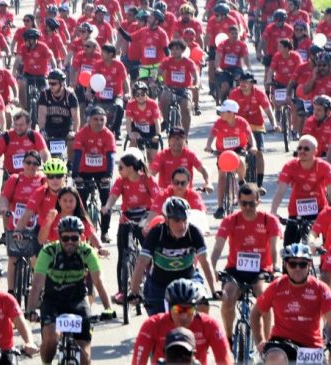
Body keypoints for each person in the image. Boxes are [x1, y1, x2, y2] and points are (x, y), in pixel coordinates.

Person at [25, 216, 115, 365]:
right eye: (65, 238)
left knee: (85, 358)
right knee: (51, 338)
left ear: (82, 237)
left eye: (74, 238)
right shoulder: (49, 252)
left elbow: (99, 281)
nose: (70, 242)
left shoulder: (87, 252)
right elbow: (37, 284)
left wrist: (108, 308)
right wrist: (31, 309)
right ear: (59, 237)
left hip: (78, 300)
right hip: (53, 300)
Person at [250, 244, 331, 363]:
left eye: (302, 264)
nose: (297, 268)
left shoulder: (320, 288)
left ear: (309, 265)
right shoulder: (276, 286)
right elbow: (255, 313)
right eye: (293, 264)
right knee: (274, 358)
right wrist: (260, 341)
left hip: (312, 348)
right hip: (281, 343)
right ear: (286, 265)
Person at [210, 183, 280, 339]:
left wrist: (276, 267)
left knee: (265, 298)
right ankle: (228, 339)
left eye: (251, 203)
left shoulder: (269, 220)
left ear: (258, 202)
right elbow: (217, 248)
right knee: (227, 298)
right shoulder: (230, 220)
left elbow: (275, 248)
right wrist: (212, 267)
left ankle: (267, 343)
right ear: (238, 202)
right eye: (243, 203)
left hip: (261, 270)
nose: (247, 207)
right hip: (235, 269)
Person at [130, 197, 220, 316]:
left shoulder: (193, 232)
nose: (181, 225)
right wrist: (134, 292)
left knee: (203, 306)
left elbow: (205, 261)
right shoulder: (156, 233)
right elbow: (141, 263)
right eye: (176, 220)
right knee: (158, 325)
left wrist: (214, 291)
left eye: (184, 220)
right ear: (166, 220)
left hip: (190, 280)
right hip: (159, 285)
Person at [132, 279, 232, 365]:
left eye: (189, 310)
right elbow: (137, 362)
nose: (184, 316)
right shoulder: (152, 325)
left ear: (196, 309)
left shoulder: (210, 325)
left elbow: (225, 361)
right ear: (169, 308)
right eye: (178, 310)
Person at [103, 151, 161, 302]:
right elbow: (113, 196)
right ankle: (122, 290)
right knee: (123, 254)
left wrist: (150, 219)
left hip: (145, 217)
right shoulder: (121, 181)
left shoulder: (147, 179)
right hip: (127, 217)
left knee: (150, 252)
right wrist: (107, 206)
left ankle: (153, 281)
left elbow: (158, 199)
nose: (119, 170)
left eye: (121, 167)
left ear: (130, 168)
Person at [270, 135, 331, 245]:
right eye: (299, 148)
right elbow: (280, 190)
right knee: (289, 249)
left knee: (330, 242)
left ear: (315, 151)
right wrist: (273, 211)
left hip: (320, 209)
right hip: (296, 211)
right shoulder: (290, 166)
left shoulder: (324, 166)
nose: (302, 151)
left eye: (306, 149)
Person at [0, 149, 44, 289]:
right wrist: (4, 208)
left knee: (36, 259)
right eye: (28, 162)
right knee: (13, 258)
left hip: (36, 225)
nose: (31, 166)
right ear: (23, 163)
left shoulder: (43, 180)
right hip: (16, 225)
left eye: (35, 163)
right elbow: (4, 197)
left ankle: (38, 289)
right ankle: (11, 291)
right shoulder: (15, 179)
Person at [204, 99, 257, 219]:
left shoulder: (242, 122)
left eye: (223, 111)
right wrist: (208, 145)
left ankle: (241, 180)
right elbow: (212, 135)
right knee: (222, 175)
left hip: (238, 149)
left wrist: (253, 146)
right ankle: (220, 207)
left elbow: (250, 135)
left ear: (232, 113)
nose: (220, 114)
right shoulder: (219, 123)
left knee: (241, 161)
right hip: (223, 152)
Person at [72, 106, 116, 242]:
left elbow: (110, 156)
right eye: (95, 119)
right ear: (89, 120)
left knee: (106, 200)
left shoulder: (108, 135)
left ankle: (104, 232)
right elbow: (77, 154)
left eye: (102, 120)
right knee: (80, 201)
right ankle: (82, 230)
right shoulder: (82, 133)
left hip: (102, 171)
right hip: (84, 170)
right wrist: (75, 174)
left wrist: (108, 175)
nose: (98, 122)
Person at [229, 72, 276, 187]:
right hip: (240, 127)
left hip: (257, 126)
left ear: (252, 84)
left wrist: (274, 124)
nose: (243, 84)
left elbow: (268, 109)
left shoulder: (258, 93)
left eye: (246, 82)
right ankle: (238, 179)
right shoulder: (234, 94)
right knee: (236, 153)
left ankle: (259, 184)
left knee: (259, 153)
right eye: (241, 82)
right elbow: (228, 111)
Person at [0, 110, 50, 179]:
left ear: (29, 124)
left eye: (21, 125)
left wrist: (48, 164)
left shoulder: (35, 136)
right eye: (15, 125)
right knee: (5, 189)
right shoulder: (6, 136)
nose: (18, 128)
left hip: (32, 175)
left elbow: (45, 153)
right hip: (10, 175)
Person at [158, 39, 199, 134]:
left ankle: (186, 135)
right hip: (170, 88)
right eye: (172, 49)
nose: (174, 51)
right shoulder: (167, 61)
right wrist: (154, 80)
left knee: (186, 107)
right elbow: (159, 71)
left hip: (185, 89)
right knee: (163, 99)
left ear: (182, 50)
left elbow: (195, 74)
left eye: (177, 49)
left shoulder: (188, 62)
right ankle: (165, 120)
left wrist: (196, 84)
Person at [37, 69, 80, 154]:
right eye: (49, 83)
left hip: (66, 128)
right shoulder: (45, 94)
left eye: (54, 84)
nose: (51, 86)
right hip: (49, 127)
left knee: (73, 141)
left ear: (62, 84)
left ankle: (70, 163)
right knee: (41, 140)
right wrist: (42, 130)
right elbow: (42, 114)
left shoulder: (70, 95)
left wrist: (74, 131)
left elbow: (76, 117)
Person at [125, 81, 163, 164]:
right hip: (137, 128)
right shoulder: (130, 104)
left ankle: (149, 175)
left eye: (142, 94)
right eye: (137, 95)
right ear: (134, 96)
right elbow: (128, 122)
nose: (140, 97)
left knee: (152, 159)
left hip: (151, 129)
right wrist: (130, 134)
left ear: (147, 93)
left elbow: (157, 121)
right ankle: (130, 161)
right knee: (133, 138)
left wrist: (158, 134)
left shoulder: (153, 104)